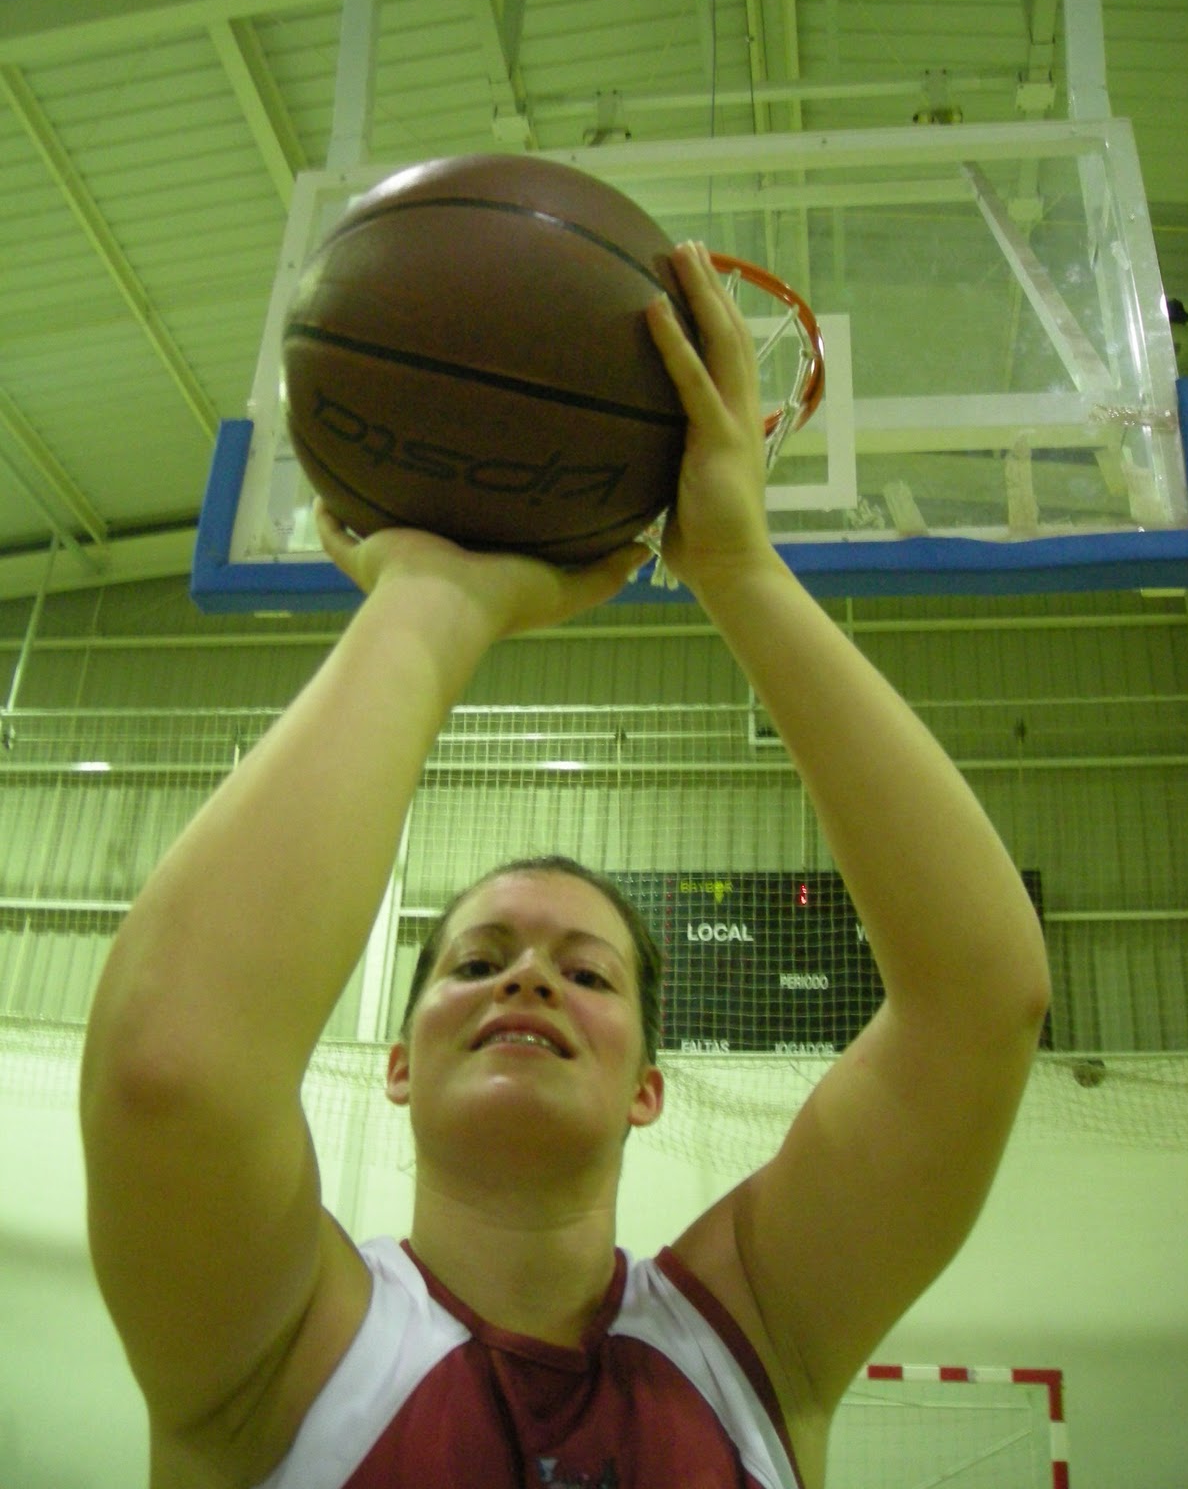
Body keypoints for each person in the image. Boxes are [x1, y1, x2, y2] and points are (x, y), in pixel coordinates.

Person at [80, 241, 1050, 1489]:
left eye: (586, 974)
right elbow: (172, 1069)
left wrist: (741, 570)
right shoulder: (282, 1349)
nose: (527, 978)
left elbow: (982, 1003)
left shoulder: (754, 1337)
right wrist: (429, 603)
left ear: (649, 1085)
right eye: (476, 961)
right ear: (397, 1062)